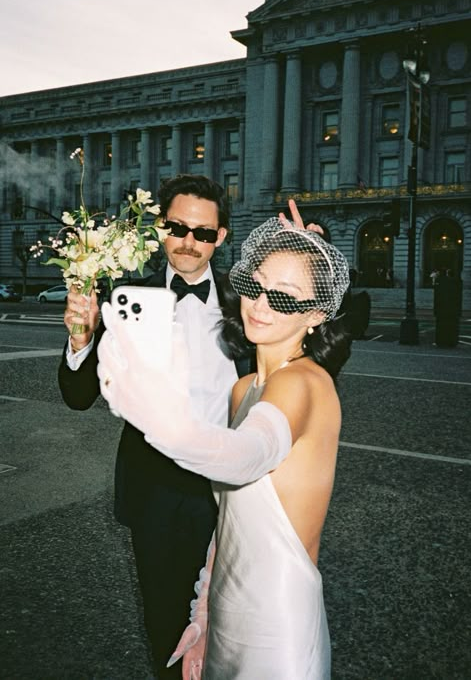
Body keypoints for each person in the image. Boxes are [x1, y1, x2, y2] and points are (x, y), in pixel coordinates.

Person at [96, 217, 352, 679]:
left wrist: (156, 408)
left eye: (285, 296)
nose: (261, 305)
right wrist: (203, 614)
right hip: (226, 607)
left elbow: (244, 457)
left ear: (316, 314)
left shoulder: (305, 383)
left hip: (277, 618)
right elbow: (229, 521)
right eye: (258, 285)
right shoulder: (247, 388)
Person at [58, 174, 262, 678]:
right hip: (159, 489)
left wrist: (309, 251)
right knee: (167, 624)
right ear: (159, 229)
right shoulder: (128, 297)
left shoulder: (248, 305)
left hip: (238, 488)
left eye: (205, 233)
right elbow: (78, 396)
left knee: (239, 623)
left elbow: (317, 339)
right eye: (177, 227)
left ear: (223, 236)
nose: (190, 242)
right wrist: (81, 337)